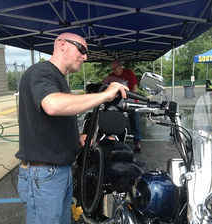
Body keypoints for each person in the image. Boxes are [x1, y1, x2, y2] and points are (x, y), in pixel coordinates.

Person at [15, 33, 129, 224]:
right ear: (62, 44)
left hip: (58, 172)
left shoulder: (57, 78)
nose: (85, 57)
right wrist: (105, 94)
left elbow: (47, 123)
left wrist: (75, 137)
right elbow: (52, 105)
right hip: (44, 175)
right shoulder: (41, 72)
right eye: (82, 49)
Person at [102, 60, 142, 153]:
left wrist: (127, 96)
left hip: (131, 100)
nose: (114, 71)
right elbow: (105, 86)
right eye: (112, 69)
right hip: (118, 102)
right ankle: (116, 141)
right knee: (115, 119)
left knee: (135, 120)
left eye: (115, 68)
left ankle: (138, 142)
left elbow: (134, 89)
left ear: (120, 66)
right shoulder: (111, 77)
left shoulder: (129, 73)